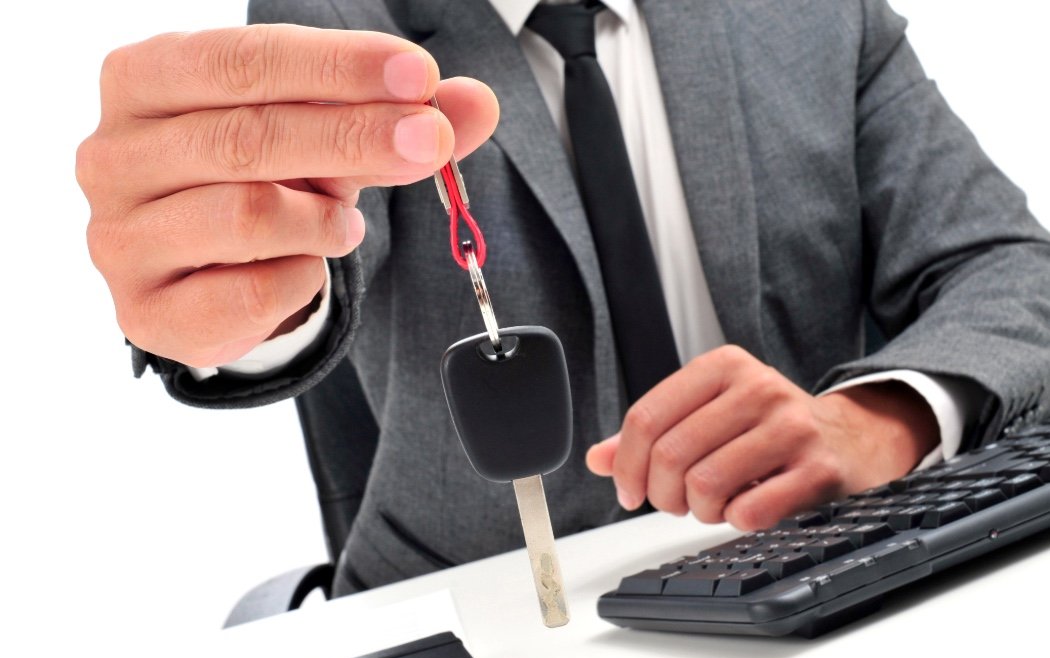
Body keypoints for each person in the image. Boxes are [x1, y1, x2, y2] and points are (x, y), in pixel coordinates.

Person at [76, 0, 1050, 594]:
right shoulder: (338, 20)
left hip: (815, 579)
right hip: (484, 607)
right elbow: (302, 275)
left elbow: (1010, 268)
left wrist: (873, 420)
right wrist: (236, 307)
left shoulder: (809, 16)